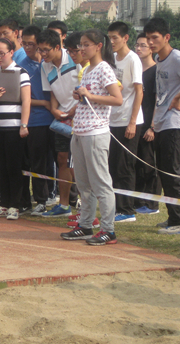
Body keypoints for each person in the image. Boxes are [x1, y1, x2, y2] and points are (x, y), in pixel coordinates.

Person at [60, 29, 122, 245]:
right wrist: (81, 97)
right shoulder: (87, 70)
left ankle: (108, 229)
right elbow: (89, 100)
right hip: (79, 131)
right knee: (84, 183)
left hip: (96, 132)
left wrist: (90, 95)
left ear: (98, 46)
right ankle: (85, 224)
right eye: (80, 45)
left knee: (101, 183)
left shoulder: (104, 69)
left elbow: (117, 99)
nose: (81, 49)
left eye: (86, 44)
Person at [145, 17, 180, 235]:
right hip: (162, 123)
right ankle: (173, 217)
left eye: (154, 38)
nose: (150, 42)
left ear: (167, 37)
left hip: (176, 125)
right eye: (148, 38)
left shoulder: (176, 57)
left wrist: (178, 97)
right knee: (164, 171)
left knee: (171, 171)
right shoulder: (159, 59)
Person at [0, 38, 31, 220]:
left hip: (15, 126)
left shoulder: (21, 72)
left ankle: (15, 205)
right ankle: (4, 203)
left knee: (14, 167)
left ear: (11, 52)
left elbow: (26, 100)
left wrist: (23, 124)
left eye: (2, 53)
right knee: (1, 166)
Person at [38, 29, 80, 217]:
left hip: (80, 118)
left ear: (58, 46)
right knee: (62, 160)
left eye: (46, 50)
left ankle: (85, 208)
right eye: (40, 50)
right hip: (62, 119)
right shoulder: (44, 66)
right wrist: (55, 109)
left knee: (77, 164)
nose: (42, 54)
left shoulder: (75, 60)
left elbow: (85, 88)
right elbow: (52, 91)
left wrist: (74, 111)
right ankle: (63, 206)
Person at [106, 21, 144, 223]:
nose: (111, 41)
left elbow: (139, 91)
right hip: (112, 120)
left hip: (129, 120)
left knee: (125, 166)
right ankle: (116, 206)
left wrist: (132, 122)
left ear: (125, 38)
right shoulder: (111, 59)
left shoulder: (133, 59)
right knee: (112, 165)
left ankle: (127, 209)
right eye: (109, 37)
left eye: (115, 38)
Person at [18, 25, 55, 216]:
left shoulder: (50, 64)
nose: (27, 47)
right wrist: (44, 103)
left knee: (57, 161)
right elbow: (21, 97)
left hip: (55, 120)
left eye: (31, 44)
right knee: (34, 162)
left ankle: (64, 198)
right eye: (24, 44)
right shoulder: (21, 66)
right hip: (34, 120)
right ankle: (36, 200)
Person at [134, 33, 161, 214]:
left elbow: (159, 100)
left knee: (150, 165)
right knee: (137, 163)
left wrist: (152, 126)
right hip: (137, 123)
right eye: (137, 45)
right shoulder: (135, 69)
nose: (139, 48)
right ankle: (139, 199)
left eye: (143, 45)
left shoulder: (156, 70)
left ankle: (152, 203)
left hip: (150, 124)